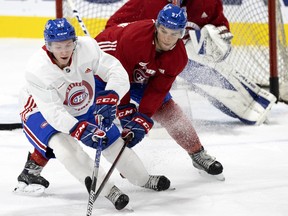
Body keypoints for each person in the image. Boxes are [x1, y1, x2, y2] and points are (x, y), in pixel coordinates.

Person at [14, 18, 171, 211]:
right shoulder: (37, 69)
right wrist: (77, 128)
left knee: (111, 143)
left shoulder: (87, 48)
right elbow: (53, 111)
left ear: (75, 42)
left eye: (68, 44)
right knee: (66, 149)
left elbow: (115, 70)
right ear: (47, 45)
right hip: (40, 110)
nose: (64, 51)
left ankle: (142, 178)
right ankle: (108, 190)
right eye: (57, 46)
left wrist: (112, 94)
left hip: (82, 102)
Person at [95, 3, 224, 180]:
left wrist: (144, 118)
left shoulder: (179, 58)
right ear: (157, 26)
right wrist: (124, 110)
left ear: (181, 34)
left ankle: (197, 153)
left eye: (174, 34)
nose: (167, 38)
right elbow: (119, 77)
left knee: (167, 110)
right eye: (164, 31)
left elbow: (157, 90)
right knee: (97, 115)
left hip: (136, 72)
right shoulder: (135, 40)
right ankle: (42, 159)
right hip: (104, 68)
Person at [105, 0, 276, 125]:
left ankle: (252, 102)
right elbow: (113, 26)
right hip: (148, 60)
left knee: (200, 64)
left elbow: (220, 25)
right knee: (192, 65)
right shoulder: (149, 3)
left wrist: (221, 39)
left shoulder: (206, 2)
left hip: (177, 58)